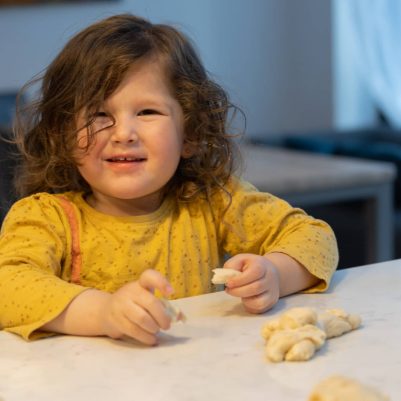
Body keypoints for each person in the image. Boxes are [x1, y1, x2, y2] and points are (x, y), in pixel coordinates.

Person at [0, 14, 338, 345]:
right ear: (64, 136)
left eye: (147, 112)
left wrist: (275, 274)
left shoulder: (211, 201)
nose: (124, 133)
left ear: (189, 132)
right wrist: (104, 313)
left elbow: (314, 237)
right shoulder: (45, 218)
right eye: (99, 114)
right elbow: (9, 286)